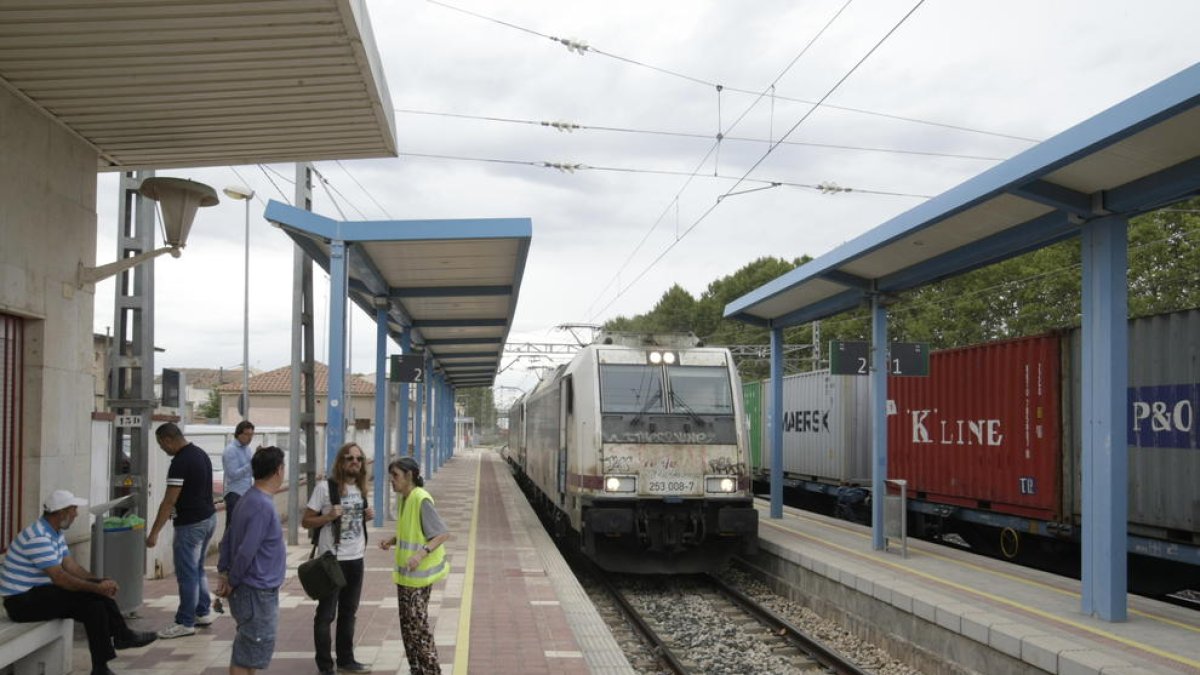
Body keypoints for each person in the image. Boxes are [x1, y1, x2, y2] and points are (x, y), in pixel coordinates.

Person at [1, 490, 157, 675]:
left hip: (39, 593)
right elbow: (60, 577)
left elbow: (71, 566)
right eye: (73, 510)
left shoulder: (53, 532)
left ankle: (103, 664)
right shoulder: (39, 537)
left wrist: (100, 581)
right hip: (21, 602)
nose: (76, 514)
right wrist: (96, 588)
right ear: (61, 513)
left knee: (95, 606)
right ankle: (122, 637)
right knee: (93, 598)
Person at [302, 442, 375, 675]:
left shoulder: (361, 489)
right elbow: (306, 521)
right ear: (340, 462)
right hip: (331, 561)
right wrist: (327, 516)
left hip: (356, 559)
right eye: (349, 458)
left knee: (348, 613)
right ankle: (325, 666)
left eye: (359, 459)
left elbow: (353, 522)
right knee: (326, 615)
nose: (355, 462)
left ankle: (346, 660)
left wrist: (366, 516)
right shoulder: (325, 488)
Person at [215, 446, 287, 675]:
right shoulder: (262, 506)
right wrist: (232, 580)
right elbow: (246, 551)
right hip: (256, 590)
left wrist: (224, 572)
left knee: (249, 650)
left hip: (252, 589)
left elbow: (227, 539)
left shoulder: (248, 498)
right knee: (247, 653)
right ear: (278, 470)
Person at [379, 457, 450, 675]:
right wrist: (393, 540)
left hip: (418, 580)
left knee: (419, 629)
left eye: (395, 476)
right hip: (406, 579)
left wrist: (421, 554)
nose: (392, 480)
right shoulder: (405, 498)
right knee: (408, 630)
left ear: (410, 476)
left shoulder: (421, 499)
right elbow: (411, 531)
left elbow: (441, 533)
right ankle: (416, 669)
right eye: (391, 476)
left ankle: (431, 671)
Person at [147, 422, 217, 638]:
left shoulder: (180, 462)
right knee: (196, 569)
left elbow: (169, 500)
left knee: (187, 574)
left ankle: (185, 622)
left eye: (161, 444)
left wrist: (154, 532)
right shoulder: (200, 454)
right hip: (209, 518)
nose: (162, 449)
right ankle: (202, 612)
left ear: (168, 439)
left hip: (191, 525)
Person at [222, 421, 256, 521]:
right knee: (232, 528)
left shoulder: (248, 449)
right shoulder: (231, 450)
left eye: (251, 434)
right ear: (238, 434)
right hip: (234, 494)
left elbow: (250, 472)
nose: (250, 438)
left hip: (246, 492)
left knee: (243, 527)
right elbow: (233, 475)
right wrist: (252, 463)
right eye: (247, 434)